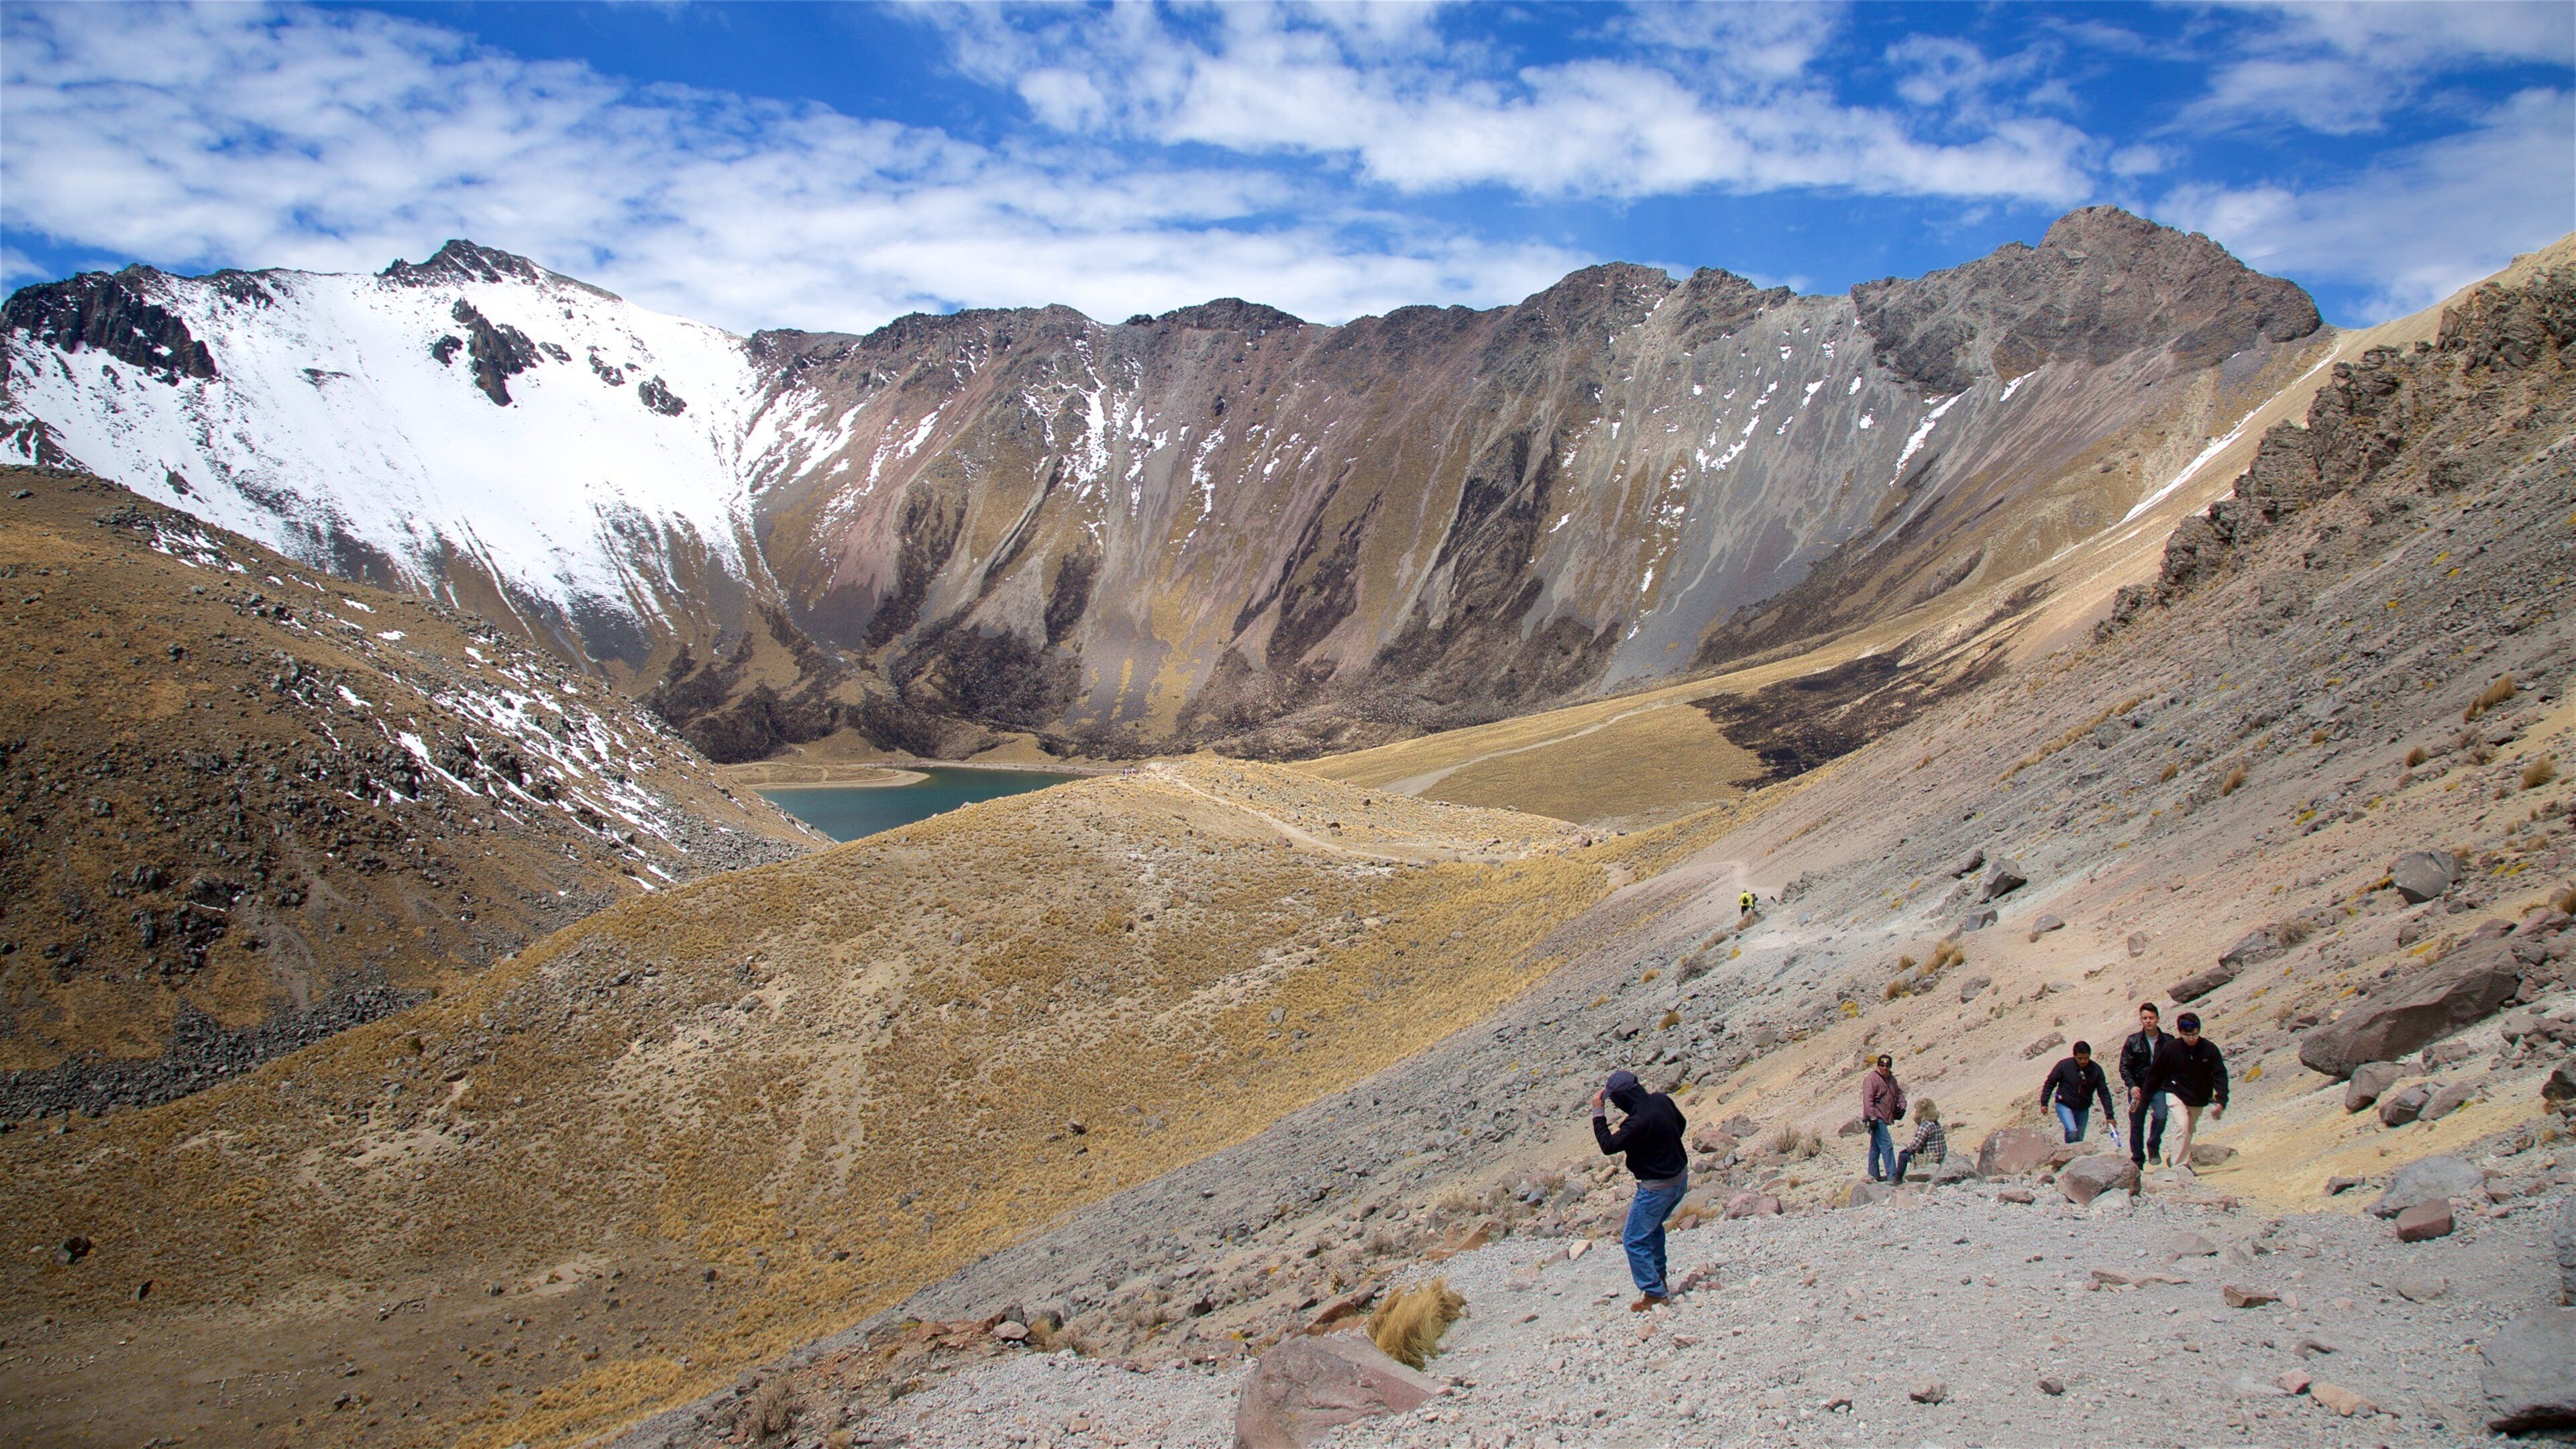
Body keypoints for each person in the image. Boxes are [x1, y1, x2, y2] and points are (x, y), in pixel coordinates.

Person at [1592, 1069, 1688, 1311]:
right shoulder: (1661, 1100)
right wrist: (1662, 1147)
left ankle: (1654, 1293)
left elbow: (1608, 1145)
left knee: (1633, 1239)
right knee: (1652, 1229)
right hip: (1679, 1177)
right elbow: (1682, 1123)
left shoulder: (1637, 1122)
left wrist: (1598, 1112)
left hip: (1656, 1188)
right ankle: (1659, 1278)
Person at [2158, 1012, 2229, 1167]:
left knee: (2188, 1130)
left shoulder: (2209, 1049)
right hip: (2175, 1092)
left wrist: (2221, 1100)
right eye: (2186, 1035)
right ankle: (2179, 1167)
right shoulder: (2171, 1049)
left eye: (2194, 1035)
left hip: (2198, 1097)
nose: (2191, 1039)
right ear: (2180, 1032)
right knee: (2182, 1125)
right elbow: (2156, 1073)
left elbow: (2220, 1075)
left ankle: (2176, 1159)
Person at [2118, 1003, 2174, 1170]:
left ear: (2158, 1018)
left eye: (2151, 1018)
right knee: (2136, 1124)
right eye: (2145, 1018)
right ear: (2140, 1020)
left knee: (2161, 1116)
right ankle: (2138, 1161)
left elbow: (2175, 1064)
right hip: (2138, 1089)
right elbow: (2124, 1066)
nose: (2148, 1021)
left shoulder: (2168, 1041)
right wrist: (2132, 1086)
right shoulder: (2132, 1041)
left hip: (2158, 1087)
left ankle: (2153, 1144)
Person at [2038, 1042, 2118, 1144]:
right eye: (2080, 1058)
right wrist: (2044, 1102)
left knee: (2079, 1137)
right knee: (2072, 1130)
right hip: (2064, 1104)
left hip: (2083, 1108)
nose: (2083, 1061)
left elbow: (2104, 1093)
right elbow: (2050, 1082)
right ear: (2074, 1055)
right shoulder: (2064, 1066)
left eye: (2086, 1058)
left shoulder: (2096, 1070)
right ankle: (2071, 1153)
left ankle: (2076, 1157)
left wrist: (2109, 1115)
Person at [1861, 1054, 1904, 1182]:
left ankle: (1873, 1174)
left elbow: (1899, 1093)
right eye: (1882, 1065)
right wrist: (1873, 1118)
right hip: (1876, 1116)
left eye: (1887, 1066)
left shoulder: (1891, 1079)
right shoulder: (1871, 1079)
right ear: (1878, 1065)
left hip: (1886, 1116)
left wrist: (1902, 1107)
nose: (1885, 1068)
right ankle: (1892, 1176)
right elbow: (1868, 1100)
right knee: (1887, 1144)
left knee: (1876, 1146)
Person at [1892, 1099, 1945, 1183]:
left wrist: (1908, 1149)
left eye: (1917, 1111)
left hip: (1931, 1158)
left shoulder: (1925, 1125)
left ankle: (1897, 1180)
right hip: (1940, 1156)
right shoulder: (1936, 1123)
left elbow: (1916, 1146)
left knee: (1903, 1156)